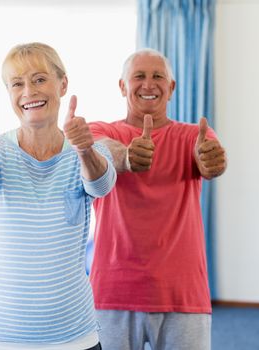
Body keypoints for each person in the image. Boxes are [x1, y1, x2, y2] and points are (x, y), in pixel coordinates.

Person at [0, 42, 116, 350]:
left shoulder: (89, 150)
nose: (29, 91)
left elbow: (101, 185)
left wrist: (84, 149)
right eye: (17, 83)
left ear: (62, 83)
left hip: (71, 335)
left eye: (39, 79)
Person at [88, 48, 227, 350]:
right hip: (113, 294)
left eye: (158, 77)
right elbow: (96, 150)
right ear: (123, 86)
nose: (148, 84)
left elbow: (209, 159)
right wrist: (125, 156)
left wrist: (212, 161)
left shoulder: (194, 136)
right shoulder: (100, 131)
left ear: (172, 87)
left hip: (183, 295)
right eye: (138, 76)